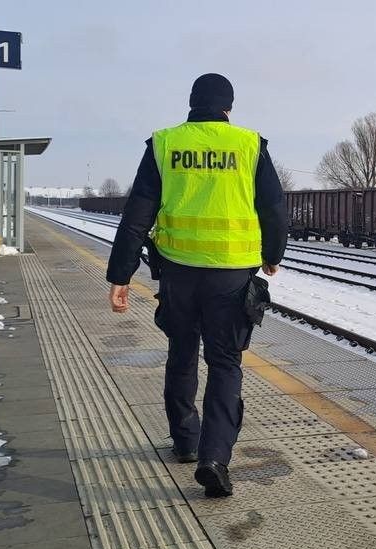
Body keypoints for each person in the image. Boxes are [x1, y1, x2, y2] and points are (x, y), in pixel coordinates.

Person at [106, 73, 287, 498]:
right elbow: (275, 208)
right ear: (228, 107)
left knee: (182, 352)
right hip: (231, 276)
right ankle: (215, 457)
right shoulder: (249, 145)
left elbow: (137, 214)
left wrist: (120, 276)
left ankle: (186, 440)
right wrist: (273, 256)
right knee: (225, 363)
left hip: (178, 274)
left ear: (191, 104)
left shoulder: (164, 144)